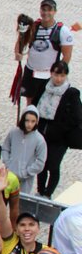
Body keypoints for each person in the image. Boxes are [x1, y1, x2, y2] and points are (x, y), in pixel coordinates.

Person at [36, 61, 82, 198]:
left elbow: (77, 116)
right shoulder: (43, 87)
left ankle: (48, 193)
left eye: (62, 75)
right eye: (56, 74)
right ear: (51, 73)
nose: (58, 78)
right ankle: (40, 190)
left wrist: (61, 128)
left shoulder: (71, 93)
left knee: (53, 165)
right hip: (42, 135)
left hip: (60, 139)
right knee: (41, 164)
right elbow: (34, 105)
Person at [16, 0, 74, 105]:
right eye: (43, 9)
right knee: (30, 103)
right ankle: (31, 121)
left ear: (55, 12)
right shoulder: (33, 27)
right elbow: (21, 41)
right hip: (31, 71)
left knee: (48, 103)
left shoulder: (63, 31)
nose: (46, 13)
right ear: (40, 11)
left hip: (49, 75)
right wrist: (17, 54)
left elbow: (67, 55)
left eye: (49, 10)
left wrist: (58, 74)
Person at [1, 105, 47, 195]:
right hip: (9, 175)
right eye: (27, 120)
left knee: (20, 202)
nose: (29, 124)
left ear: (37, 122)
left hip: (25, 180)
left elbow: (40, 162)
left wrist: (26, 172)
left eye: (33, 121)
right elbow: (5, 148)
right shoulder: (14, 133)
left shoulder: (39, 140)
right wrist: (7, 163)